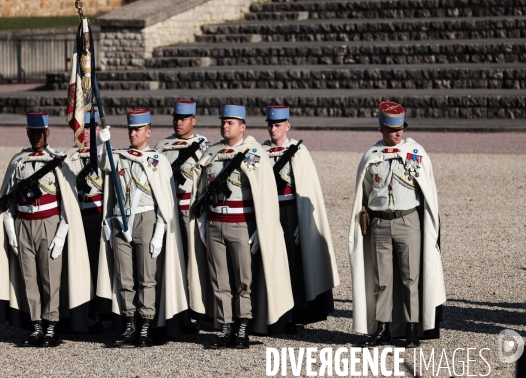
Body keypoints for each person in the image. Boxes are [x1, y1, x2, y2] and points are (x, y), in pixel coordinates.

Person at [190, 104, 294, 349]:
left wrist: (262, 227)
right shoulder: (212, 153)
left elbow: (265, 194)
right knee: (219, 280)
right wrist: (203, 221)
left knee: (243, 281)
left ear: (242, 126)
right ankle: (225, 326)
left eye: (231, 123)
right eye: (223, 122)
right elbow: (201, 190)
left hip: (242, 225)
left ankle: (243, 327)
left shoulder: (254, 152)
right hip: (215, 223)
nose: (225, 126)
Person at [349, 101, 446, 348]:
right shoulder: (371, 157)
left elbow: (427, 191)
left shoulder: (416, 153)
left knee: (410, 277)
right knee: (382, 279)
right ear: (381, 128)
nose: (399, 133)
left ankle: (413, 329)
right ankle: (383, 328)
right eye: (393, 129)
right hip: (380, 223)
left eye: (401, 128)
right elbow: (366, 192)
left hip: (408, 220)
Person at [0, 112, 93, 347]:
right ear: (27, 133)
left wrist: (61, 234)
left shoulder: (58, 160)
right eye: (32, 132)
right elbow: (7, 198)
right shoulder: (18, 161)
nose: (36, 136)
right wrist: (10, 227)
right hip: (23, 224)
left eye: (40, 132)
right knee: (29, 278)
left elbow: (68, 201)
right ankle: (36, 325)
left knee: (50, 279)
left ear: (47, 133)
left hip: (49, 224)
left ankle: (51, 326)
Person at [96, 108, 189, 348]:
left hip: (146, 220)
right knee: (125, 278)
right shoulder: (119, 155)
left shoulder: (157, 160)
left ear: (149, 131)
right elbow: (101, 165)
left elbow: (164, 202)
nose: (133, 134)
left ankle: (146, 324)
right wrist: (100, 142)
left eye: (137, 129)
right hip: (120, 220)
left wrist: (159, 232)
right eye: (130, 129)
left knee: (147, 278)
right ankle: (129, 324)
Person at [261, 105, 340, 334]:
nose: (273, 129)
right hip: (270, 212)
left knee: (294, 265)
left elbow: (307, 190)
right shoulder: (261, 150)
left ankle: (296, 313)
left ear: (287, 126)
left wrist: (301, 222)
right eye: (270, 125)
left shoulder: (298, 152)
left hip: (292, 214)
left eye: (277, 125)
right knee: (273, 264)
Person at [154, 100, 213, 332]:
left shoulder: (203, 146)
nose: (179, 123)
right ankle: (173, 309)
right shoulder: (162, 146)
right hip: (169, 212)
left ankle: (197, 309)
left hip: (191, 211)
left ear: (193, 120)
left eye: (184, 119)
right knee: (172, 259)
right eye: (176, 119)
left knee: (194, 260)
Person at [65, 110, 105, 333]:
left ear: (98, 129)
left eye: (90, 128)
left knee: (97, 266)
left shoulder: (105, 155)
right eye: (82, 128)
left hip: (95, 216)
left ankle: (98, 311)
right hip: (76, 218)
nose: (86, 133)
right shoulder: (69, 156)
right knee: (78, 267)